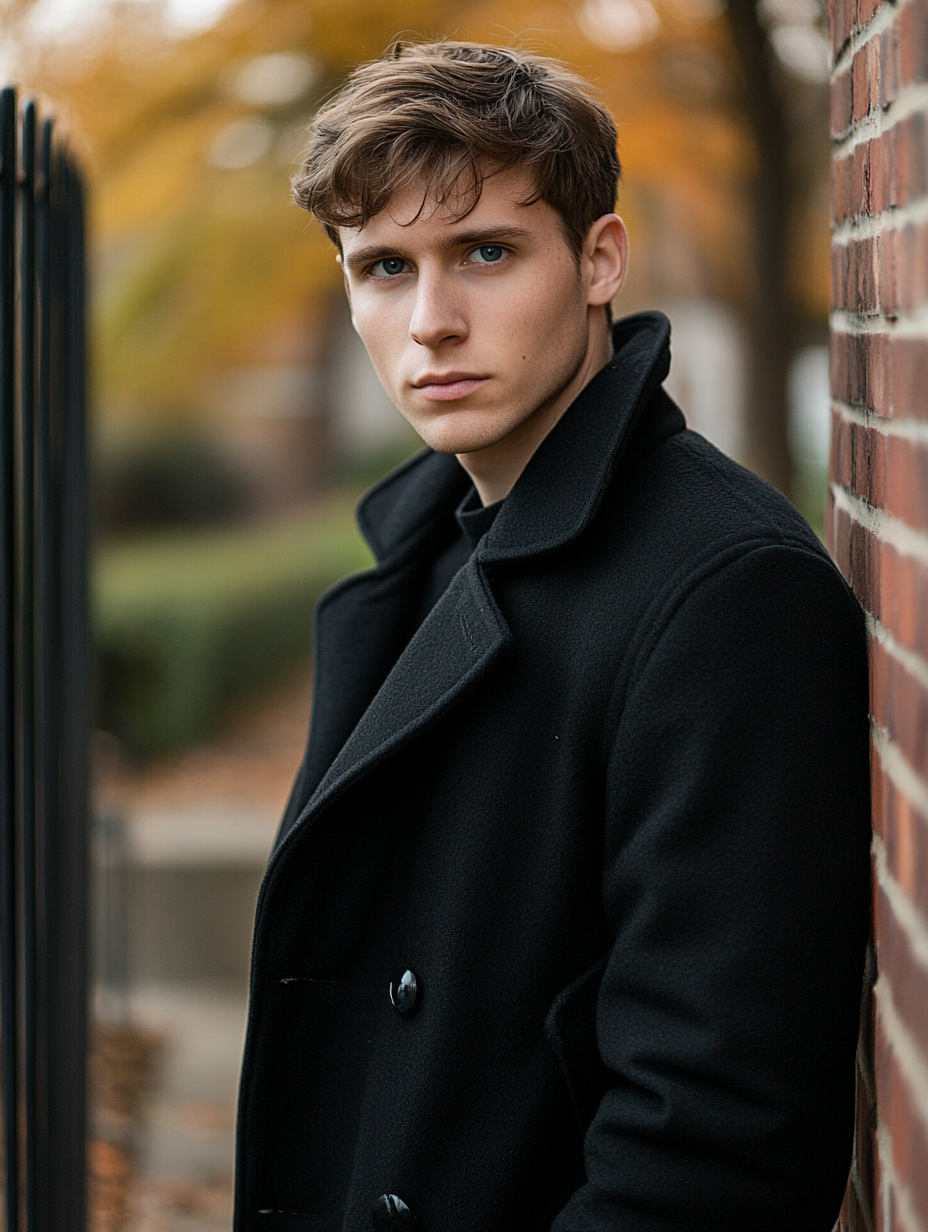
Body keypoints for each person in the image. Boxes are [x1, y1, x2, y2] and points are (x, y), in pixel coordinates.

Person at [234, 41, 871, 1232]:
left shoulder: (726, 593)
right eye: (382, 266)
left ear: (597, 259)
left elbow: (716, 1146)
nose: (430, 321)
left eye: (484, 252)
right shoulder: (434, 543)